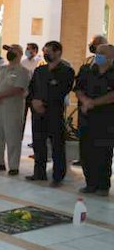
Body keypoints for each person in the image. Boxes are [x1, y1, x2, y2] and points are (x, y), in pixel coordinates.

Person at [27, 41, 75, 186]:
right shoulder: (40, 70)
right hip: (37, 113)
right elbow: (31, 89)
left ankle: (57, 176)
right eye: (44, 51)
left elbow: (62, 91)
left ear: (58, 52)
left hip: (54, 112)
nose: (45, 54)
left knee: (57, 145)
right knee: (38, 143)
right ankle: (39, 173)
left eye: (48, 51)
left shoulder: (66, 71)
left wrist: (44, 104)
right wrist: (34, 102)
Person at [74, 43, 114, 196]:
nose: (99, 55)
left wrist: (93, 103)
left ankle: (103, 185)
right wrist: (85, 101)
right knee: (86, 151)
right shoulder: (86, 70)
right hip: (86, 118)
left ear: (111, 56)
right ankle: (90, 183)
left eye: (103, 53)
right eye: (98, 52)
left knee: (103, 153)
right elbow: (78, 89)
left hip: (106, 120)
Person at [0, 44, 30, 176]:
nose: (10, 52)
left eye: (13, 50)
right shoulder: (1, 69)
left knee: (13, 137)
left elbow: (18, 89)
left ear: (20, 53)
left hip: (12, 109)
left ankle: (13, 166)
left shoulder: (23, 71)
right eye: (9, 50)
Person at [74, 35, 109, 167]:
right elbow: (78, 86)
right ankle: (83, 161)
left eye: (95, 44)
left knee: (102, 146)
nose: (92, 46)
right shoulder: (88, 64)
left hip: (104, 113)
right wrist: (84, 100)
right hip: (85, 111)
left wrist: (93, 102)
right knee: (84, 138)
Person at [21, 42, 44, 137]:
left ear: (35, 50)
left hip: (35, 93)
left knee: (36, 118)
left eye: (28, 49)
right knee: (22, 117)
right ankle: (19, 138)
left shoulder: (40, 62)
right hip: (24, 92)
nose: (27, 51)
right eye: (26, 49)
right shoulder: (23, 62)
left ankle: (36, 140)